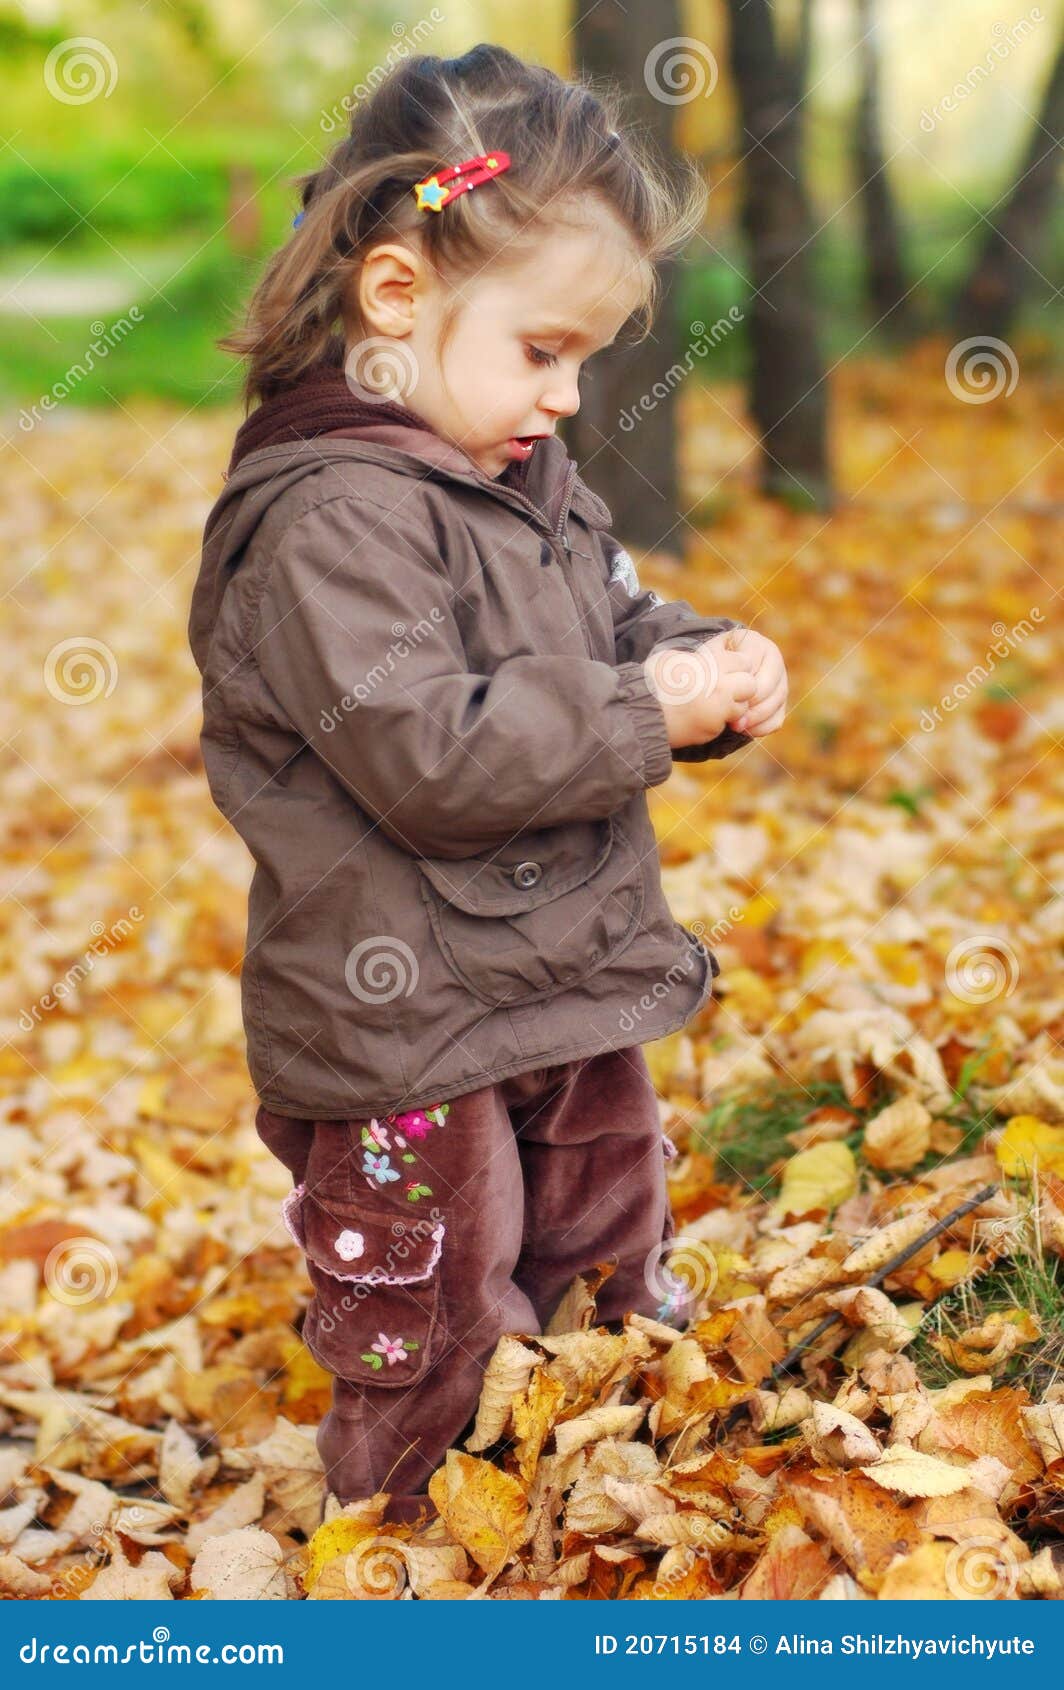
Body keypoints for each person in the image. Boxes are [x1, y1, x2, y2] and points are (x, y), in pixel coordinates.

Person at [187, 44, 787, 1524]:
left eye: (587, 360)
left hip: (565, 981)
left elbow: (613, 630)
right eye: (543, 351)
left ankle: (613, 1505)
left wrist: (707, 666)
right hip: (404, 1027)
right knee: (439, 1323)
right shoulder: (330, 521)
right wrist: (645, 708)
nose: (571, 398)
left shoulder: (519, 479)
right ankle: (413, 1552)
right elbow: (435, 752)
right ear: (396, 297)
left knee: (608, 1259)